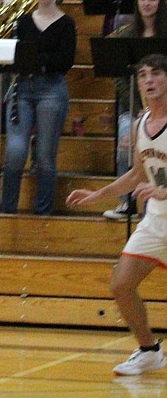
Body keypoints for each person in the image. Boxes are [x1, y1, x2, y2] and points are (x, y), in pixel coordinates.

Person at [67, 53, 167, 376]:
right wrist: (98, 194)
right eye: (142, 76)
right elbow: (138, 173)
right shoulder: (140, 124)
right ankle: (149, 350)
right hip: (156, 219)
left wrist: (164, 190)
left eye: (155, 74)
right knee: (121, 285)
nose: (148, 80)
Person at [0, 0, 77, 215]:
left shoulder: (66, 23)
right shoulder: (22, 22)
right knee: (15, 152)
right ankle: (7, 210)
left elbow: (64, 61)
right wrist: (40, 59)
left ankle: (43, 211)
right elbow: (16, 56)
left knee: (44, 155)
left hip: (52, 89)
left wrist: (37, 60)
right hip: (22, 88)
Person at [104, 0, 167, 221]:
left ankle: (154, 202)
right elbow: (121, 80)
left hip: (163, 109)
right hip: (135, 108)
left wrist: (154, 109)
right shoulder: (125, 34)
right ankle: (127, 203)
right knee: (125, 140)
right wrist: (141, 110)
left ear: (160, 3)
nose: (147, 3)